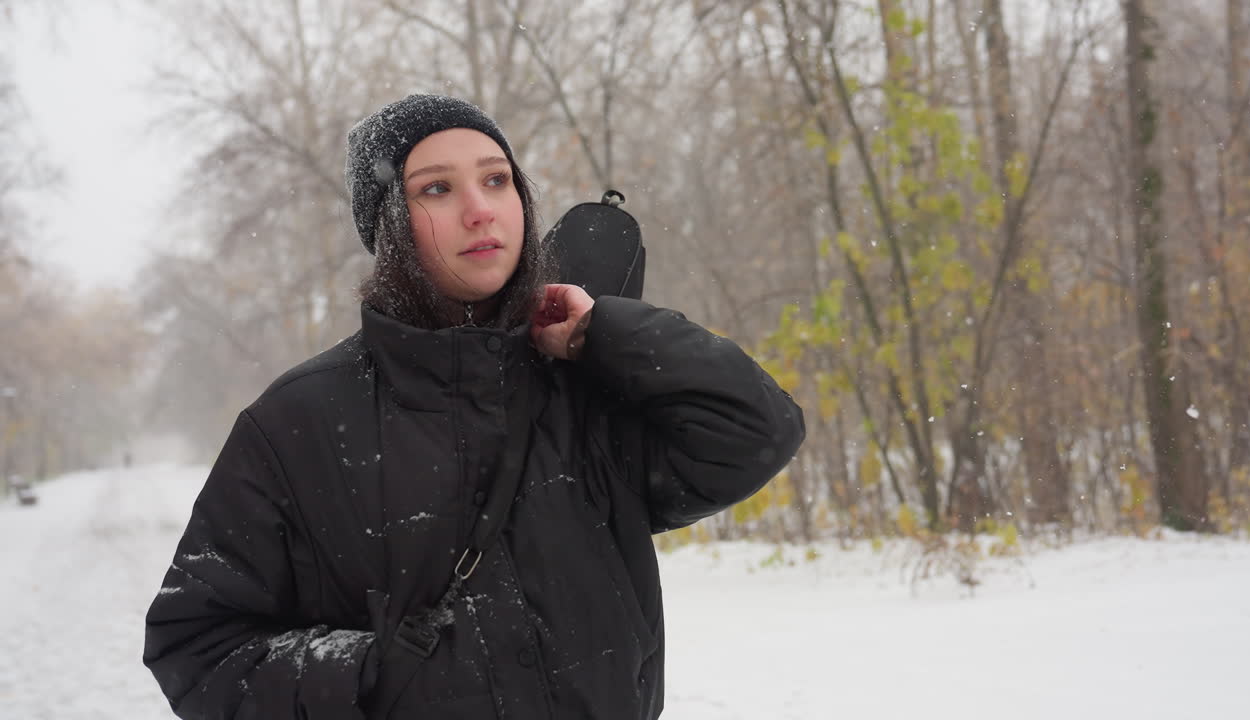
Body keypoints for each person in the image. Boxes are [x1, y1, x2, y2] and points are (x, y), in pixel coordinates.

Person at [143, 94, 805, 720]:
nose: (481, 209)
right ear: (390, 225)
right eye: (437, 188)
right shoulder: (298, 423)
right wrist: (376, 678)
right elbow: (196, 645)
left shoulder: (582, 387)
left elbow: (758, 429)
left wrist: (605, 333)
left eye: (496, 180)